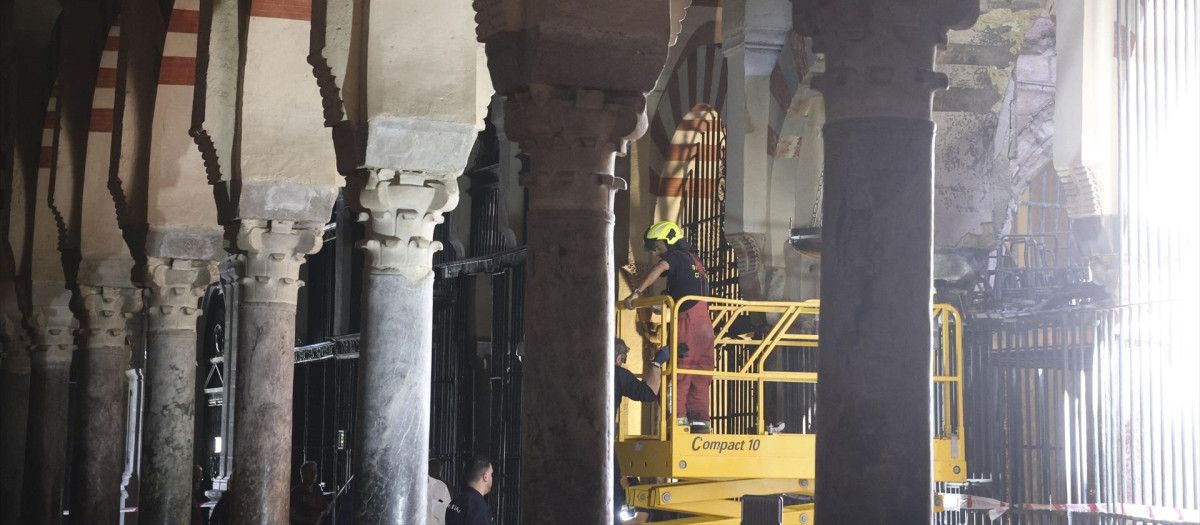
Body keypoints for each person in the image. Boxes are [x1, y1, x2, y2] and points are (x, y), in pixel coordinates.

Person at [623, 221, 715, 434]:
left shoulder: (674, 257)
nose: (657, 254)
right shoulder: (696, 261)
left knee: (679, 375)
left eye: (658, 247)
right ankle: (701, 429)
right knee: (701, 378)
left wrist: (637, 292)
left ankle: (677, 428)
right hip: (705, 328)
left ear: (671, 241)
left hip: (688, 321)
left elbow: (659, 268)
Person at [613, 338, 668, 524]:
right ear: (619, 358)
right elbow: (647, 393)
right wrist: (657, 362)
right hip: (600, 443)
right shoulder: (617, 374)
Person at [445, 455, 494, 525]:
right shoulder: (478, 506)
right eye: (491, 474)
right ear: (485, 477)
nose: (492, 478)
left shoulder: (456, 500)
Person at [290, 461, 332, 525]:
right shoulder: (296, 493)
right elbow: (290, 516)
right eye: (310, 471)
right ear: (303, 474)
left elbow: (323, 509)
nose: (314, 474)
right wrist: (308, 520)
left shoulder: (318, 491)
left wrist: (327, 509)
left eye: (315, 472)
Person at [428, 459, 453, 525]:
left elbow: (448, 513)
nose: (437, 472)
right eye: (433, 469)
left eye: (438, 469)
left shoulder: (443, 487)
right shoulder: (415, 487)